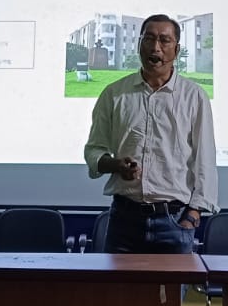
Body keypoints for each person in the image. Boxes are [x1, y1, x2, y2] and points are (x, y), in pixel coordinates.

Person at [83, 13, 217, 253]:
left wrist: (193, 215)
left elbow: (204, 160)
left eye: (164, 40)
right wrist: (115, 165)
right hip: (124, 220)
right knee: (117, 280)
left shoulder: (194, 96)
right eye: (149, 39)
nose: (156, 47)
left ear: (176, 50)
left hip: (175, 221)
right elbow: (94, 150)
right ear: (139, 45)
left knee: (175, 282)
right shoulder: (114, 94)